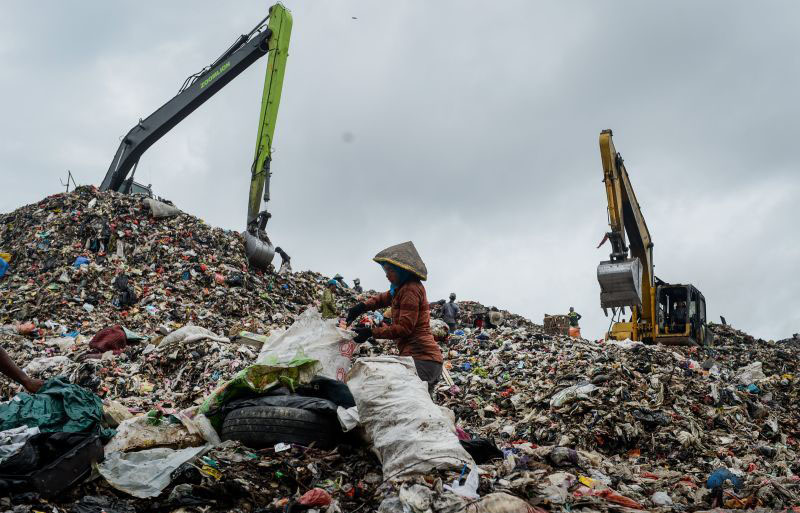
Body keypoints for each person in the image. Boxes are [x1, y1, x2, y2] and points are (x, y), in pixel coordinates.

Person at [345, 242, 442, 395]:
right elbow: (382, 298)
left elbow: (405, 328)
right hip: (417, 358)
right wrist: (361, 307)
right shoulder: (400, 289)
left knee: (409, 403)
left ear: (401, 270)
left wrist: (371, 332)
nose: (386, 275)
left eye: (389, 270)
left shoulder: (410, 290)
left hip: (422, 358)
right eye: (385, 270)